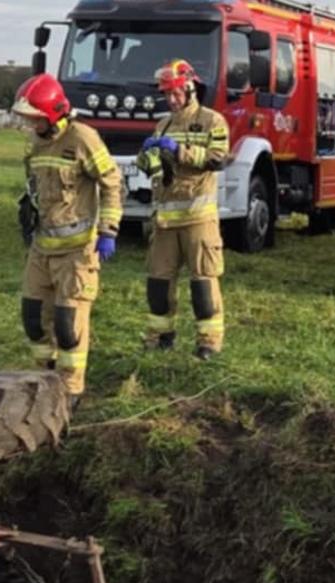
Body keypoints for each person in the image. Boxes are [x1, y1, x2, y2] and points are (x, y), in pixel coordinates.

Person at [13, 73, 123, 408]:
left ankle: (71, 390)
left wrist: (108, 230)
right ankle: (44, 378)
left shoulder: (82, 138)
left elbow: (111, 182)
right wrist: (28, 209)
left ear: (53, 113)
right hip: (42, 249)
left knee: (68, 325)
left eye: (35, 118)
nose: (31, 124)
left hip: (76, 251)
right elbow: (37, 185)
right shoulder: (37, 143)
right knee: (33, 318)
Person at [135, 59, 229, 360]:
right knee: (158, 284)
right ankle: (160, 338)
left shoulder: (212, 120)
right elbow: (154, 169)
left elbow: (217, 159)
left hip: (198, 218)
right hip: (165, 221)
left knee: (203, 284)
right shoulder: (163, 125)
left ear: (190, 89)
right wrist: (145, 157)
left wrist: (180, 151)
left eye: (175, 93)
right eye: (167, 94)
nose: (171, 99)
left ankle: (208, 343)